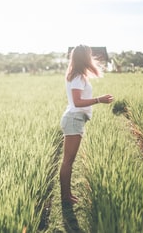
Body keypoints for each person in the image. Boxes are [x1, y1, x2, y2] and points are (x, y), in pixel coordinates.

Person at [59, 45, 113, 205]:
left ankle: (67, 195)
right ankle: (65, 197)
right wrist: (99, 99)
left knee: (68, 160)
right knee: (68, 161)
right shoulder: (78, 77)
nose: (91, 57)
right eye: (89, 55)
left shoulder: (77, 75)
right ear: (84, 58)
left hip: (75, 119)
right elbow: (77, 102)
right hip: (74, 119)